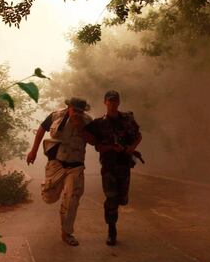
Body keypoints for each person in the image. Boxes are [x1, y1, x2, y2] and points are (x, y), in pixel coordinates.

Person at [26, 97, 94, 246]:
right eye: (74, 110)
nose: (77, 113)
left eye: (80, 111)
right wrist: (33, 151)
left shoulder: (88, 120)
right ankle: (51, 186)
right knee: (49, 197)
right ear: (69, 107)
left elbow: (93, 141)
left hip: (76, 164)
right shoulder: (56, 115)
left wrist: (80, 128)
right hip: (56, 162)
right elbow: (42, 129)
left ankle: (67, 232)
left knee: (72, 199)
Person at [86, 90, 142, 246]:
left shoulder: (127, 119)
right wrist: (101, 145)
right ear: (105, 102)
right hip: (109, 165)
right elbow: (85, 133)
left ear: (119, 102)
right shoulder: (99, 123)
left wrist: (131, 148)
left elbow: (138, 135)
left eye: (115, 100)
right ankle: (112, 230)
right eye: (110, 101)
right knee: (111, 197)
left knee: (121, 199)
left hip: (124, 164)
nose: (112, 103)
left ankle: (115, 211)